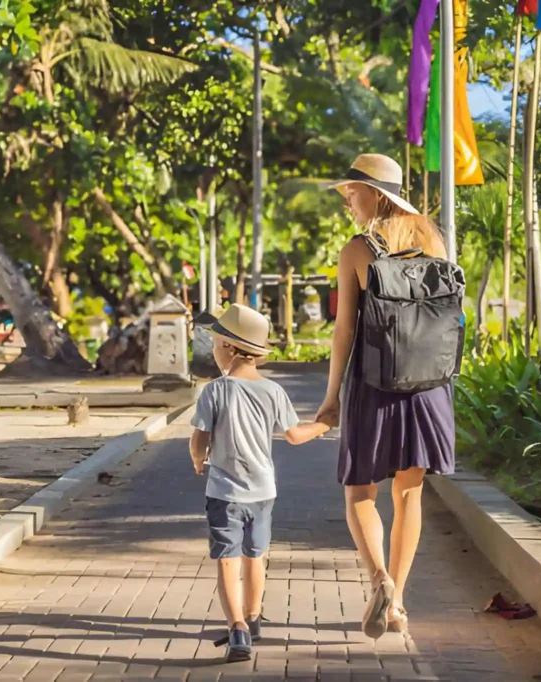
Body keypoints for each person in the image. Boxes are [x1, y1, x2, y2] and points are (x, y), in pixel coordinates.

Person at [316, 153, 456, 638]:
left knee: (359, 493)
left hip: (374, 381)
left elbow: (344, 331)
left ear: (376, 193)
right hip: (428, 385)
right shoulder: (431, 238)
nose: (347, 202)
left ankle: (380, 579)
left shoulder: (358, 248)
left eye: (352, 192)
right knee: (409, 493)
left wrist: (331, 396)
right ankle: (397, 603)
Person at [189, 304, 332, 661]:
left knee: (227, 559)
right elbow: (296, 435)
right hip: (263, 492)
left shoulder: (215, 391)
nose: (213, 350)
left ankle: (236, 627)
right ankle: (253, 618)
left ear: (230, 349)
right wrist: (326, 424)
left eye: (216, 342)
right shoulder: (273, 391)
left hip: (224, 493)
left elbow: (199, 437)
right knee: (256, 556)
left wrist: (197, 459)